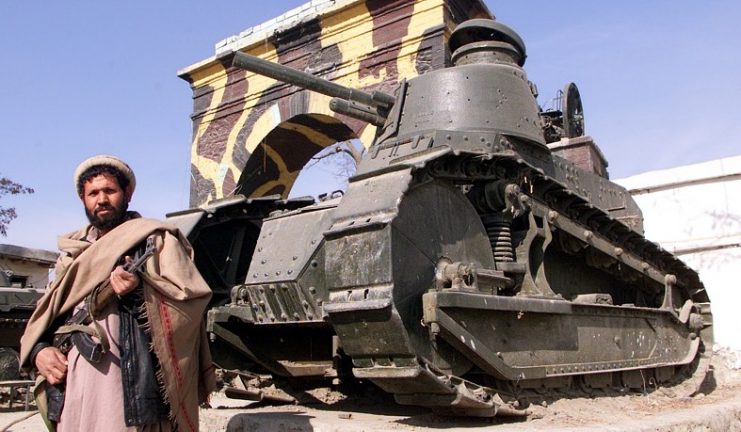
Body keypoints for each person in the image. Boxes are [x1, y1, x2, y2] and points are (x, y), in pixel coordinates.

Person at [20, 155, 216, 431]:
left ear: (127, 194)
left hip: (128, 390)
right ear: (83, 199)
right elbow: (46, 317)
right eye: (93, 193)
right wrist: (40, 351)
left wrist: (139, 292)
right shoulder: (71, 255)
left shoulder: (155, 240)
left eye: (109, 191)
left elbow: (190, 303)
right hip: (74, 390)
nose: (101, 199)